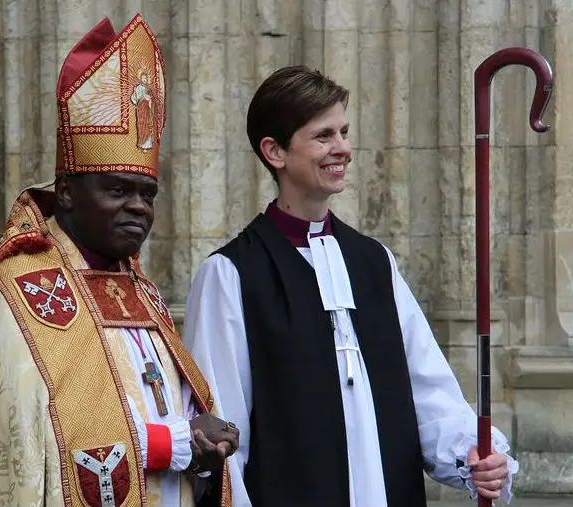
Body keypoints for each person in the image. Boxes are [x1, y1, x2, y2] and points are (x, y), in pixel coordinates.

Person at [0, 14, 237, 507]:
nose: (139, 206)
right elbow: (32, 449)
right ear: (69, 195)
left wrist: (204, 441)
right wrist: (174, 442)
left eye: (148, 193)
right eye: (118, 190)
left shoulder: (140, 290)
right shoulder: (19, 292)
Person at [183, 65, 518, 507]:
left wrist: (472, 453)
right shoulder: (230, 274)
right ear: (275, 151)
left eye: (344, 131)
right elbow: (223, 432)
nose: (343, 148)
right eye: (324, 136)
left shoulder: (373, 262)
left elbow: (428, 390)